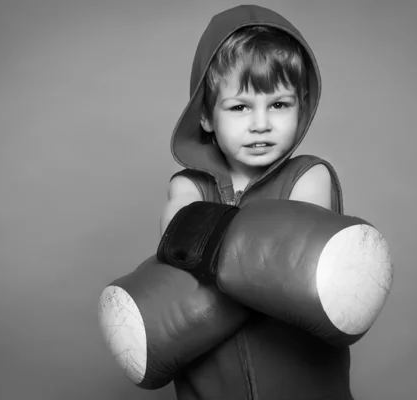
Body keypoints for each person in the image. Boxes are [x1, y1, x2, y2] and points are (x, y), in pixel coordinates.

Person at [160, 4, 353, 399]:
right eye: (240, 107)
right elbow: (178, 249)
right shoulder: (188, 187)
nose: (261, 123)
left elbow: (294, 268)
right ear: (207, 117)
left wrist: (211, 252)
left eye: (279, 104)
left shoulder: (309, 177)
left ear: (301, 106)